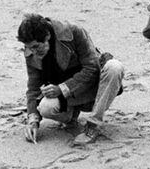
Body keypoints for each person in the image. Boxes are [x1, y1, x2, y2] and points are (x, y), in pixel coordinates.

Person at [17, 13, 124, 146]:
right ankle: (71, 115)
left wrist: (61, 89)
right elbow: (33, 88)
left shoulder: (74, 32)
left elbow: (92, 68)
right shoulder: (30, 51)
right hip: (68, 96)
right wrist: (33, 120)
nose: (33, 52)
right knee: (45, 108)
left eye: (36, 46)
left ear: (47, 36)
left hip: (94, 89)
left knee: (114, 67)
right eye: (28, 47)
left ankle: (93, 124)